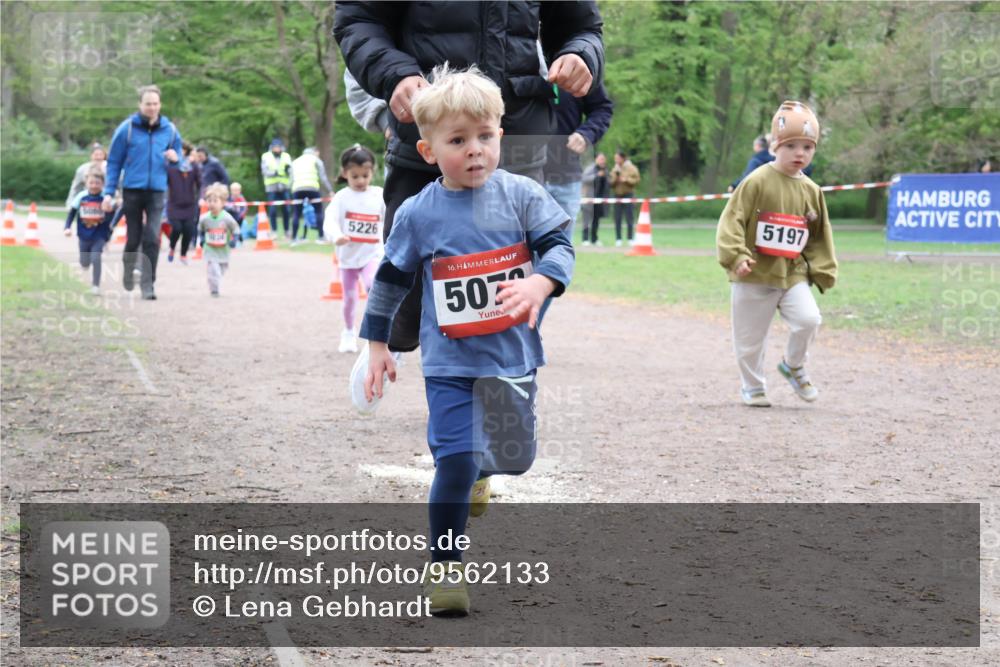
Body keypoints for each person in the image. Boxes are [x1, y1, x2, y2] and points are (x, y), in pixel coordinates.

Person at [359, 67, 574, 616]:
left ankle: (482, 475)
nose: (474, 150)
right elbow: (391, 279)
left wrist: (540, 280)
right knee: (454, 459)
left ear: (501, 135)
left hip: (512, 359)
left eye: (484, 136)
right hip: (450, 363)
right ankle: (446, 569)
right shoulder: (418, 212)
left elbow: (559, 245)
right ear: (429, 151)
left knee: (513, 460)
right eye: (458, 141)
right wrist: (377, 345)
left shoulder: (523, 196)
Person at [335, 0, 603, 403]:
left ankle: (491, 391)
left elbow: (580, 25)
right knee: (409, 284)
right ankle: (390, 343)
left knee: (506, 273)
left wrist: (580, 53)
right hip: (425, 131)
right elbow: (359, 18)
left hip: (515, 131)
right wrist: (395, 74)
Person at [716, 101, 838, 408]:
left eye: (808, 147)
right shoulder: (756, 180)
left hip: (791, 273)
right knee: (749, 340)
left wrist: (822, 269)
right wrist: (737, 255)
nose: (800, 153)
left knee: (809, 319)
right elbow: (732, 221)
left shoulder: (812, 191)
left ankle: (793, 365)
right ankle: (753, 386)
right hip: (754, 274)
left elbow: (819, 236)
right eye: (792, 145)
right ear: (775, 146)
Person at [102, 84, 182, 301]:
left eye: (155, 103)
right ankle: (129, 270)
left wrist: (176, 160)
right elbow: (114, 162)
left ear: (160, 105)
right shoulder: (126, 129)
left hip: (157, 190)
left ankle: (148, 285)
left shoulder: (170, 130)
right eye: (148, 104)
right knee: (134, 237)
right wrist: (109, 192)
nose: (152, 107)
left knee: (152, 237)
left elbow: (179, 162)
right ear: (140, 105)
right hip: (132, 190)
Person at [323, 144, 385, 354]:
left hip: (372, 254)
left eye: (365, 175)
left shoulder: (379, 195)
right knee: (349, 298)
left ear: (372, 172)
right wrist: (337, 236)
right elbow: (329, 221)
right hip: (348, 257)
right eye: (355, 176)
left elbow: (391, 219)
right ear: (345, 174)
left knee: (372, 285)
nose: (360, 181)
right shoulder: (342, 197)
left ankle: (377, 333)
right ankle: (348, 331)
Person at [543, 82, 614, 240]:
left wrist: (586, 133)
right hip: (515, 174)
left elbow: (602, 108)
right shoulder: (510, 60)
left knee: (559, 252)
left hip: (565, 177)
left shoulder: (576, 63)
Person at [64, 171, 116, 294]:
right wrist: (67, 227)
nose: (94, 185)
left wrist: (110, 210)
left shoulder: (105, 198)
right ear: (86, 183)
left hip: (100, 234)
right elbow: (72, 213)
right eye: (91, 183)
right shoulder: (81, 196)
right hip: (84, 234)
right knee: (84, 262)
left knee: (96, 258)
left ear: (103, 184)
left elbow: (112, 214)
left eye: (97, 183)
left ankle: (95, 286)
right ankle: (85, 263)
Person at [197, 183, 240, 297]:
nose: (211, 204)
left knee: (221, 269)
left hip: (223, 250)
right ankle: (214, 289)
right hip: (210, 249)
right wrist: (201, 239)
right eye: (209, 201)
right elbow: (200, 229)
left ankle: (214, 282)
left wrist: (234, 240)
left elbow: (235, 228)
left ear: (223, 203)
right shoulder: (204, 218)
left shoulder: (226, 217)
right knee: (213, 270)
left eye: (215, 201)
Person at [166, 141, 202, 265]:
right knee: (176, 228)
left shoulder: (193, 166)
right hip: (173, 204)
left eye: (182, 150)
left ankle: (183, 254)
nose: (180, 152)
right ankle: (171, 248)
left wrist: (201, 197)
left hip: (189, 204)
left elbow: (200, 183)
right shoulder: (169, 166)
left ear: (186, 151)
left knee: (188, 230)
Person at [290, 147, 334, 244]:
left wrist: (291, 190)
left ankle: (294, 238)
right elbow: (323, 177)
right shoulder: (316, 160)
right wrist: (330, 190)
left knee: (297, 213)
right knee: (318, 212)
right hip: (312, 188)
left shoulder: (295, 161)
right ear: (314, 152)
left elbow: (291, 179)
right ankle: (321, 237)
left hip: (297, 189)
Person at [260, 138, 293, 238]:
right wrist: (274, 173)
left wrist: (288, 171)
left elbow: (291, 171)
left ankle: (287, 231)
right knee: (272, 210)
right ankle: (274, 231)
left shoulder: (286, 156)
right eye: (275, 147)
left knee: (287, 210)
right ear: (272, 148)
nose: (277, 149)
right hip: (271, 187)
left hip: (284, 187)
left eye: (278, 147)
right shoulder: (266, 156)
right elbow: (264, 171)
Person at [609, 149, 640, 246]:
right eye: (615, 159)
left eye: (617, 158)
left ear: (623, 158)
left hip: (628, 194)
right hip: (617, 195)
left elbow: (637, 180)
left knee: (629, 217)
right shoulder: (615, 169)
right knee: (617, 218)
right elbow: (610, 182)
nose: (616, 160)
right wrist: (616, 178)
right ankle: (618, 239)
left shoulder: (631, 168)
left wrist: (626, 180)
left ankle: (630, 238)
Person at [66, 143, 107, 209]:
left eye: (101, 155)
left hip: (105, 203)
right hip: (87, 204)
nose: (99, 157)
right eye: (96, 155)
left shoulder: (110, 169)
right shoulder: (82, 169)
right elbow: (75, 188)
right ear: (91, 155)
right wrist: (70, 205)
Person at [580, 152, 610, 245]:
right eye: (601, 159)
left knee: (596, 220)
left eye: (603, 159)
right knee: (586, 220)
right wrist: (597, 175)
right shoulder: (591, 168)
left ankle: (594, 239)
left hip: (599, 199)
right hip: (589, 198)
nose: (602, 161)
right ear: (596, 159)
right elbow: (584, 179)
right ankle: (585, 239)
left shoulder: (605, 170)